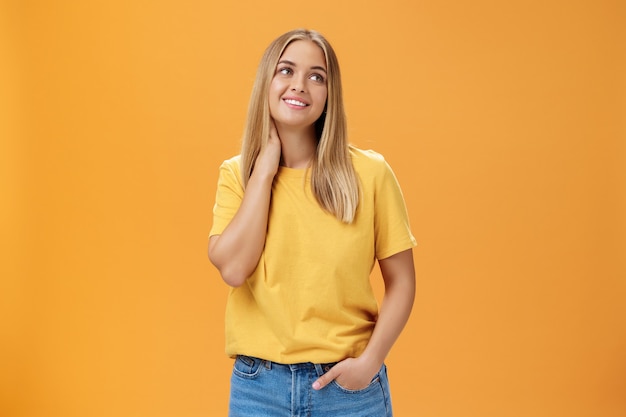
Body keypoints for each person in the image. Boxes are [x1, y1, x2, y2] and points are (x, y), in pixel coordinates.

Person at [208, 28, 416, 417]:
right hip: (260, 390)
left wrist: (370, 363)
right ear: (266, 81)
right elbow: (234, 269)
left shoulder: (370, 174)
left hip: (349, 391)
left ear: (329, 94)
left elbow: (402, 281)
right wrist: (266, 170)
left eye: (316, 76)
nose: (299, 85)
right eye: (286, 70)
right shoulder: (237, 175)